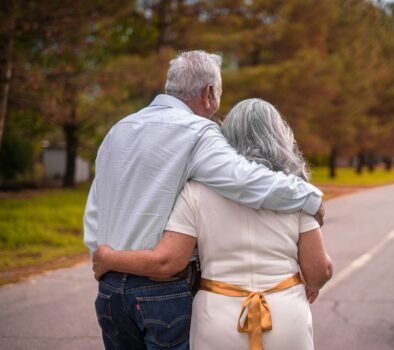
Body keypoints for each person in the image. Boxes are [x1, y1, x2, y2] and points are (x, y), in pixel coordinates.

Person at [84, 50, 325, 350]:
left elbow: (96, 207)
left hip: (109, 290)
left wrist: (102, 256)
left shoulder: (118, 130)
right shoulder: (199, 132)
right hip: (162, 291)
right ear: (209, 93)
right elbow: (245, 180)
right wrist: (309, 196)